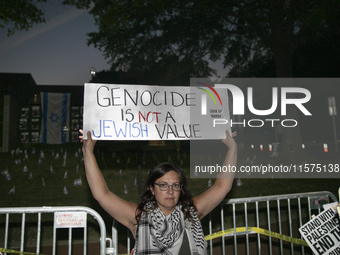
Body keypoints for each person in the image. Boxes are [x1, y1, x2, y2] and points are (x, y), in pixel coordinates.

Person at [79, 130, 237, 255]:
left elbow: (222, 186)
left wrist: (232, 149)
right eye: (163, 185)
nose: (170, 191)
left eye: (175, 185)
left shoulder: (191, 211)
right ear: (152, 189)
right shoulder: (139, 217)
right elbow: (102, 194)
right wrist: (88, 152)